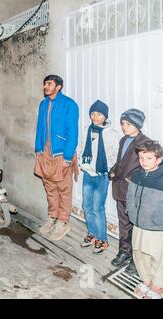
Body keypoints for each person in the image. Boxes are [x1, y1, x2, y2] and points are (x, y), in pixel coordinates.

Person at [34, 75, 79, 241]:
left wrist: (67, 158)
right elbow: (39, 128)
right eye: (45, 83)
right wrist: (38, 149)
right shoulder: (43, 104)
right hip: (45, 153)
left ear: (58, 87)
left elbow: (72, 133)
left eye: (49, 84)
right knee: (49, 187)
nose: (46, 86)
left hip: (60, 154)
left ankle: (63, 221)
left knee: (63, 188)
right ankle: (52, 216)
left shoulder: (69, 105)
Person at [109, 108, 150, 275]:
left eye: (128, 124)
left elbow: (148, 167)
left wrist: (133, 178)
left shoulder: (145, 143)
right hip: (120, 189)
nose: (124, 127)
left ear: (137, 124)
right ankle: (124, 251)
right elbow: (121, 162)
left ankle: (135, 259)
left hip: (134, 191)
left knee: (136, 225)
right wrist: (113, 170)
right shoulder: (123, 140)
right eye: (123, 123)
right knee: (123, 223)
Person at [78, 100, 119, 254]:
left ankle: (102, 239)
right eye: (93, 113)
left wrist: (109, 169)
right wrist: (83, 164)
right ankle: (92, 233)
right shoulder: (86, 130)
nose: (95, 117)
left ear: (105, 116)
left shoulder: (112, 134)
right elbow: (81, 147)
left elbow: (116, 155)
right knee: (86, 206)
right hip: (88, 174)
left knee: (97, 207)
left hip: (102, 176)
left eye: (99, 114)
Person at [127, 141, 163, 299]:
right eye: (141, 158)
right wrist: (131, 211)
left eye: (149, 158)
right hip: (138, 222)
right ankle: (147, 280)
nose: (144, 161)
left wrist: (159, 218)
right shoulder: (137, 175)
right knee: (139, 252)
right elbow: (130, 196)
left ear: (159, 159)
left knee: (157, 255)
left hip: (156, 226)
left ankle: (158, 285)